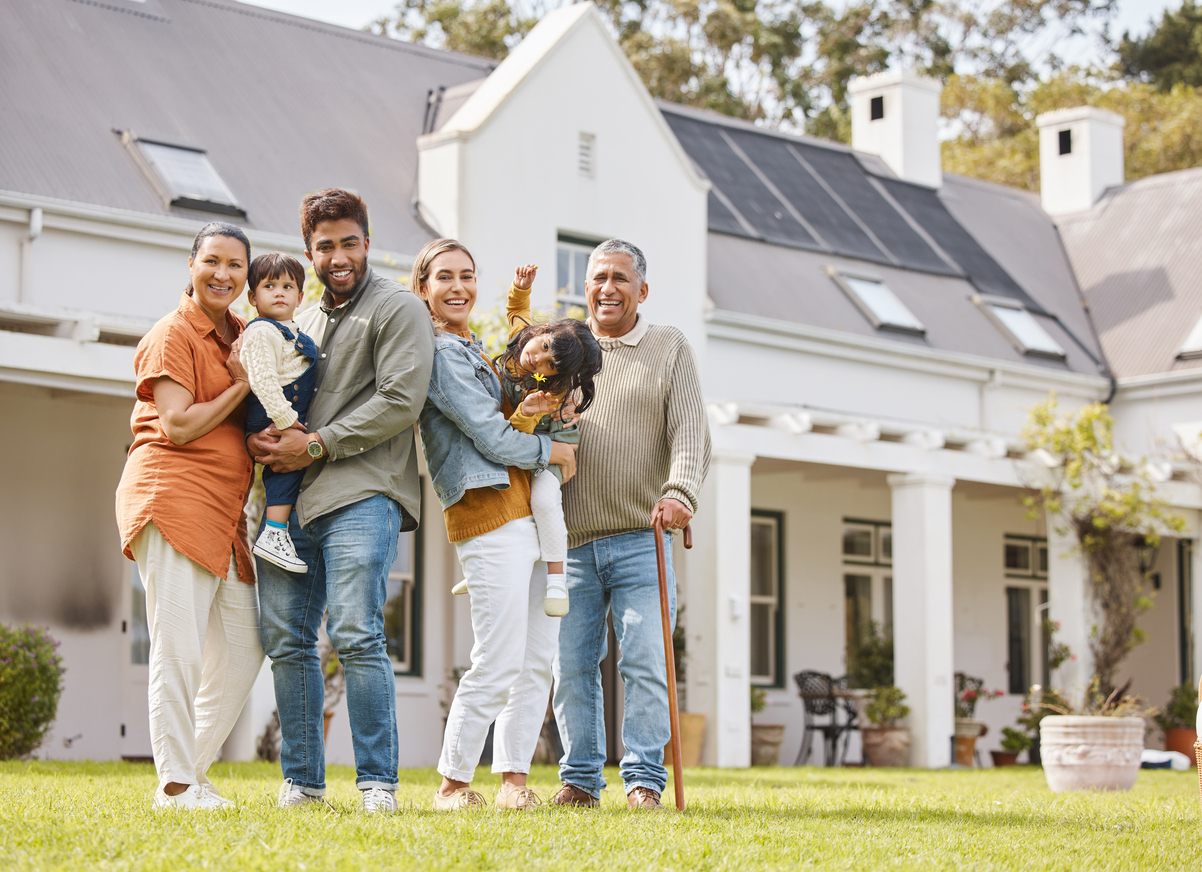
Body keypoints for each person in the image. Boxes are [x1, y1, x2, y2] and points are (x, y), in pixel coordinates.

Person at [247, 189, 434, 814]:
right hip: (290, 503)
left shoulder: (399, 308)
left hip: (362, 492)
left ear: (367, 243)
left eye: (349, 242)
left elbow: (401, 401)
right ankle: (302, 783)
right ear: (310, 253)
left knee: (355, 630)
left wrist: (318, 444)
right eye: (325, 246)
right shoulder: (296, 322)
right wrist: (260, 434)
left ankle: (377, 784)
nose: (339, 256)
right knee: (286, 638)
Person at [413, 239, 578, 811]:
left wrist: (553, 406)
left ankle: (513, 781)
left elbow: (520, 388)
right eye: (445, 277)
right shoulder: (440, 354)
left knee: (536, 661)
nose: (458, 286)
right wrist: (552, 452)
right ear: (424, 288)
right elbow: (488, 436)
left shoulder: (474, 347)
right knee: (499, 657)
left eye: (467, 275)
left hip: (528, 511)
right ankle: (453, 785)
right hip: (487, 512)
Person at [551, 239, 711, 810]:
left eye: (620, 278)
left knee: (644, 661)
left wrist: (680, 492)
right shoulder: (565, 348)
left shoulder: (667, 347)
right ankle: (580, 781)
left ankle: (643, 780)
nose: (607, 288)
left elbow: (691, 430)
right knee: (570, 667)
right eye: (598, 277)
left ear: (642, 290)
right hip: (569, 544)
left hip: (642, 538)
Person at [115, 221, 265, 810]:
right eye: (212, 261)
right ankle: (176, 785)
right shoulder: (171, 333)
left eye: (235, 265)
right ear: (191, 263)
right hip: (171, 494)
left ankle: (189, 773)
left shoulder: (244, 333)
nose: (223, 274)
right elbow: (176, 425)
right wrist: (241, 386)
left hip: (226, 509)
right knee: (177, 648)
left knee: (244, 646)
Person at [450, 264, 602, 617]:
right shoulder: (524, 341)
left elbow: (520, 437)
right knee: (504, 496)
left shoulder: (546, 393)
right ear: (543, 331)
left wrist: (531, 410)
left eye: (549, 365)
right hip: (529, 441)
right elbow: (517, 311)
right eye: (544, 346)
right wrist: (521, 288)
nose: (538, 358)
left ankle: (557, 578)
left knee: (544, 500)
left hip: (552, 444)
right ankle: (483, 570)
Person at [241, 252, 317, 573]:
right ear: (252, 297)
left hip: (286, 409)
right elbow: (262, 379)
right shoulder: (261, 332)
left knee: (290, 469)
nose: (279, 293)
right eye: (269, 285)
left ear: (300, 297)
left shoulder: (295, 332)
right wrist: (286, 422)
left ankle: (276, 530)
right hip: (273, 411)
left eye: (287, 286)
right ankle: (274, 532)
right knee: (285, 467)